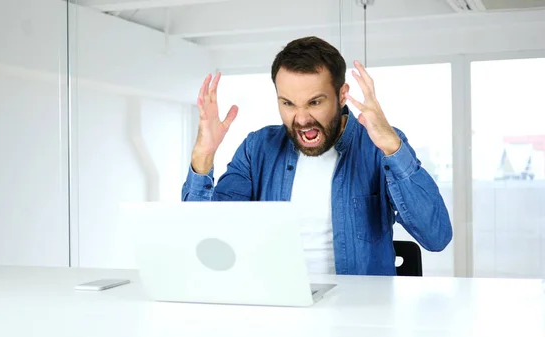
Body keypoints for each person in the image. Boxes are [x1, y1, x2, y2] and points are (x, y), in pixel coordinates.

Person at [181, 36, 452, 276]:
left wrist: (392, 148)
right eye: (287, 103)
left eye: (315, 102)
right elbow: (205, 240)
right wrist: (203, 156)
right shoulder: (258, 148)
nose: (301, 119)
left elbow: (436, 236)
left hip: (359, 313)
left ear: (342, 95)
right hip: (278, 306)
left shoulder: (378, 145)